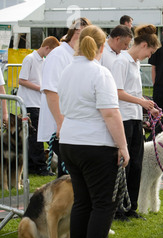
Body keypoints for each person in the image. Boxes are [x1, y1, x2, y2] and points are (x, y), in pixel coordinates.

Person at [59, 25, 129, 238]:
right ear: (102, 46)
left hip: (70, 141)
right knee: (103, 203)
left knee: (83, 202)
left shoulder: (67, 70)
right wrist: (123, 146)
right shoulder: (100, 73)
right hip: (95, 144)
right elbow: (110, 113)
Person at [111, 24, 161, 221]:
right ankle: (119, 208)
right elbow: (118, 92)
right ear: (143, 45)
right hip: (122, 117)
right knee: (126, 164)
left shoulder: (135, 63)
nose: (149, 56)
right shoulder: (121, 61)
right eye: (150, 51)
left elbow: (134, 93)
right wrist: (142, 102)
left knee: (137, 163)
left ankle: (131, 206)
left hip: (135, 117)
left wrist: (148, 107)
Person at [38, 17, 91, 177]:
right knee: (68, 176)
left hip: (74, 123)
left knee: (73, 175)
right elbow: (51, 91)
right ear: (77, 32)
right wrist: (60, 123)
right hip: (61, 125)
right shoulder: (59, 54)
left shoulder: (78, 55)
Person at [17, 36, 60, 176]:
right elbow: (22, 80)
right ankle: (39, 166)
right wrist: (40, 88)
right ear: (47, 48)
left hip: (38, 102)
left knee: (35, 136)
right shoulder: (29, 59)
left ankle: (33, 165)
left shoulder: (43, 61)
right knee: (35, 137)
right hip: (29, 102)